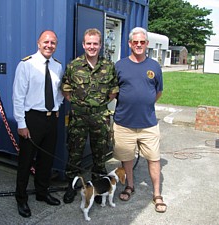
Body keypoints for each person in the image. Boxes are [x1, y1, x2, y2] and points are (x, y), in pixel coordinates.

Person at [112, 27, 167, 213]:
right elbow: (113, 91)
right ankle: (130, 186)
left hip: (148, 124)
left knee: (154, 159)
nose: (138, 45)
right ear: (129, 44)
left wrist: (144, 104)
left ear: (147, 44)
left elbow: (158, 92)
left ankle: (157, 194)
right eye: (135, 42)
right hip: (123, 123)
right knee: (126, 158)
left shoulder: (154, 66)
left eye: (142, 42)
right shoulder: (119, 65)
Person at [61, 28, 119, 204]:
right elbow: (66, 89)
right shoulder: (74, 65)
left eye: (95, 43)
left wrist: (98, 106)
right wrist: (81, 105)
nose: (92, 47)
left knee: (99, 156)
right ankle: (71, 187)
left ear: (100, 45)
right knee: (74, 154)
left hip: (100, 118)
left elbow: (113, 90)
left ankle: (98, 188)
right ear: (83, 45)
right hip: (78, 117)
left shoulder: (108, 66)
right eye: (89, 43)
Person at [12, 30, 64, 218]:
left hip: (51, 119)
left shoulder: (57, 66)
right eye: (46, 42)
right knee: (26, 161)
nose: (49, 45)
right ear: (38, 43)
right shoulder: (26, 65)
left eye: (53, 43)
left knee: (46, 160)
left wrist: (58, 106)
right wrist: (21, 123)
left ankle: (42, 193)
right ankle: (21, 198)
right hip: (31, 119)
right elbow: (18, 96)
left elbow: (59, 91)